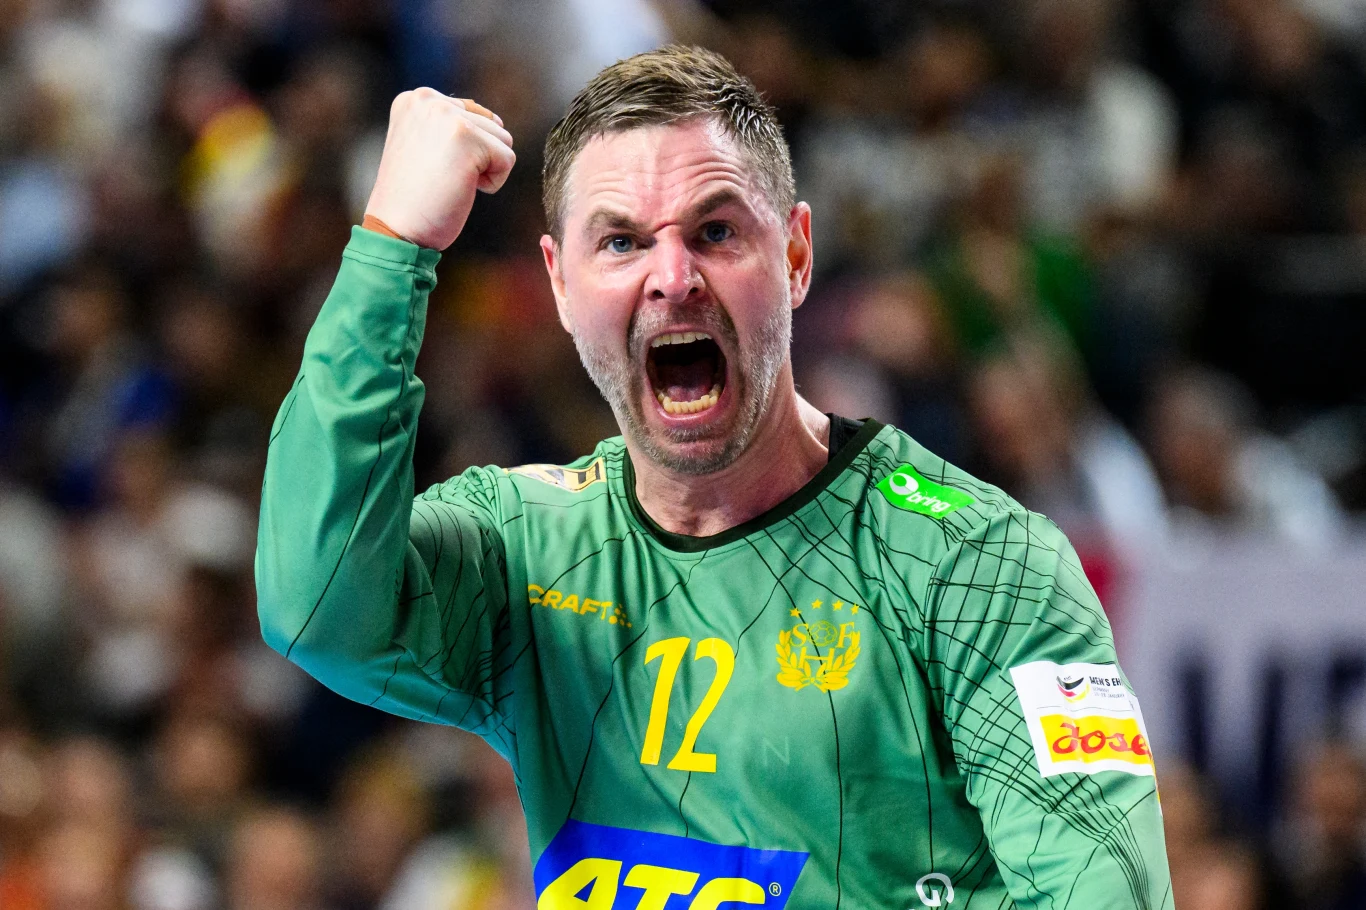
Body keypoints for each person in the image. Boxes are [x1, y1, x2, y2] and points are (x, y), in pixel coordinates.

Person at [256, 45, 1172, 908]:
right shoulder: (527, 549)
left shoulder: (978, 564)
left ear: (797, 256)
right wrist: (391, 249)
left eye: (717, 230)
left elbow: (1106, 894)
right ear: (561, 286)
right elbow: (314, 606)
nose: (673, 277)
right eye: (620, 242)